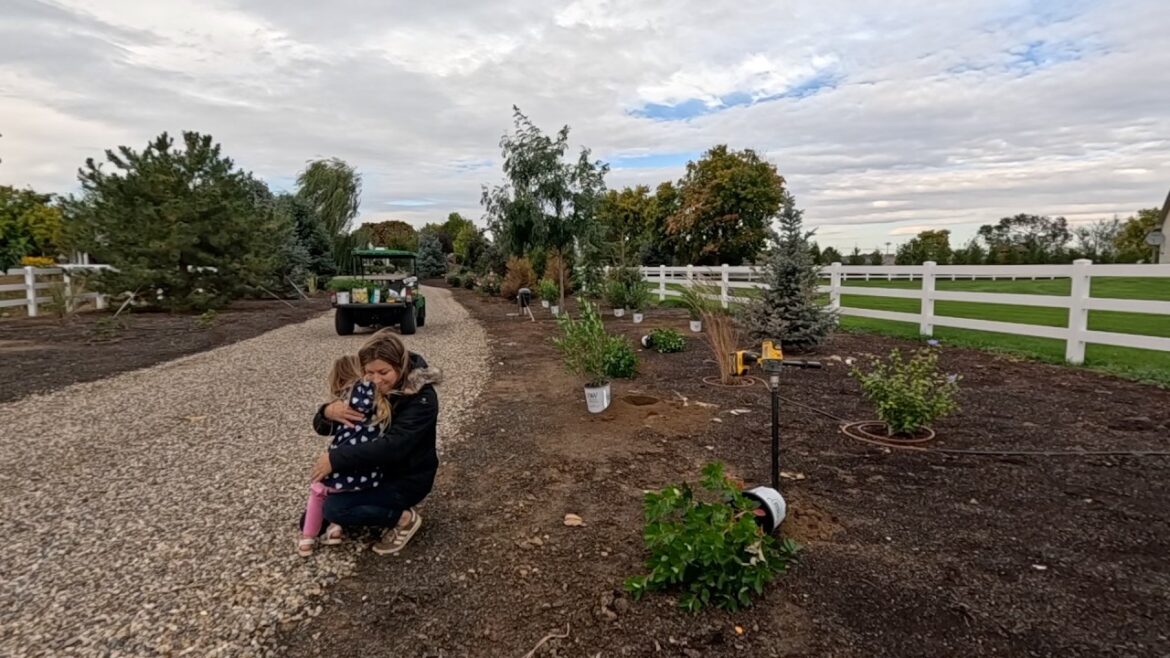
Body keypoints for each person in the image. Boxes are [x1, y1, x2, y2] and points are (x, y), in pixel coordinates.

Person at [307, 330, 441, 555]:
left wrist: (335, 459)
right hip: (371, 472)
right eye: (369, 373)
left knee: (335, 509)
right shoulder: (367, 388)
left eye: (383, 372)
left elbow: (394, 447)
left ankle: (404, 519)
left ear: (400, 366)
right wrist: (327, 412)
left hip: (405, 480)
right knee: (322, 497)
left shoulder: (422, 399)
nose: (376, 380)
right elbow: (329, 427)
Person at [296, 355, 390, 557]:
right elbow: (321, 426)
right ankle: (336, 526)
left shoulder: (345, 405)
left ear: (338, 382)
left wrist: (328, 409)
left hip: (348, 466)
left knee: (320, 491)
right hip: (371, 473)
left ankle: (307, 538)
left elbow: (325, 430)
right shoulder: (378, 400)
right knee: (342, 492)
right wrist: (325, 412)